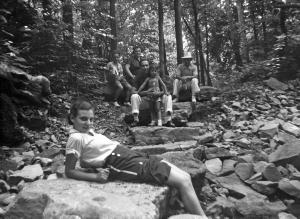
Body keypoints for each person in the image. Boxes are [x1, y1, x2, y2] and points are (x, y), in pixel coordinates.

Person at [65, 98, 208, 218]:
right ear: (72, 118)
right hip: (119, 163)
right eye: (83, 119)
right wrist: (96, 178)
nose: (88, 123)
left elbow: (85, 157)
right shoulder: (75, 138)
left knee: (185, 177)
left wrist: (88, 163)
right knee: (183, 181)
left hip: (128, 155)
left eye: (91, 119)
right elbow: (69, 171)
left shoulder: (87, 132)